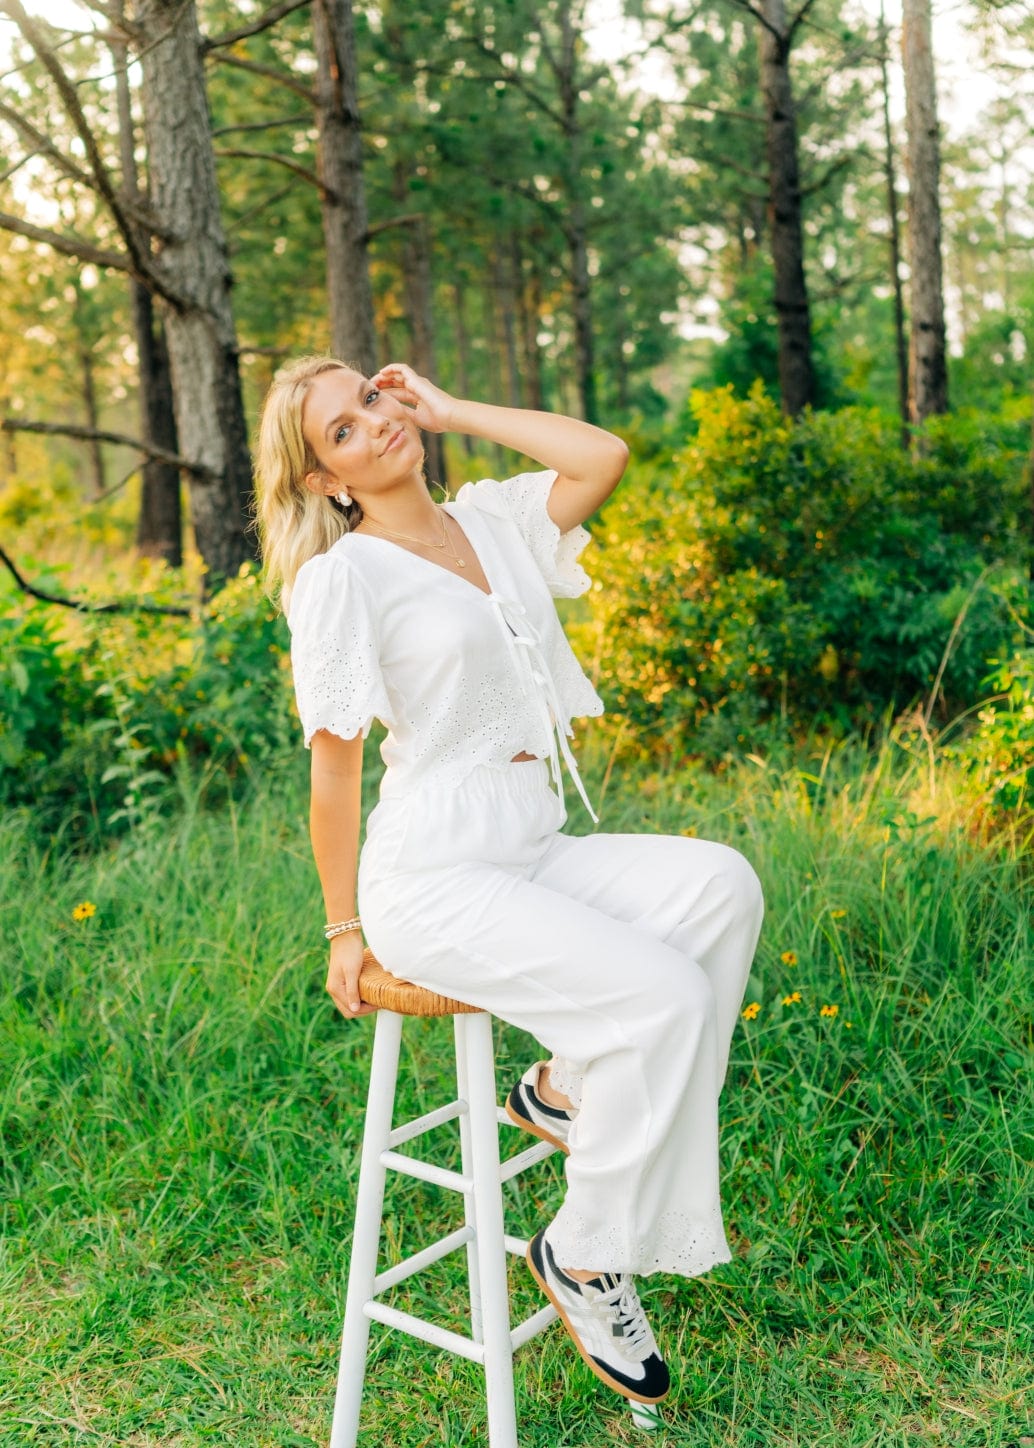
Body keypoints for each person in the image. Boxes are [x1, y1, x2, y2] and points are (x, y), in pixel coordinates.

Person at [255, 356, 764, 1407]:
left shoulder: (489, 520)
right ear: (322, 479)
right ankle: (582, 1250)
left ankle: (566, 1087)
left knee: (721, 884)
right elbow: (335, 769)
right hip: (435, 872)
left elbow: (602, 456)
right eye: (343, 431)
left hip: (531, 838)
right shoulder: (342, 577)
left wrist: (450, 408)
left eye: (374, 400)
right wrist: (341, 928)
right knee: (662, 996)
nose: (376, 426)